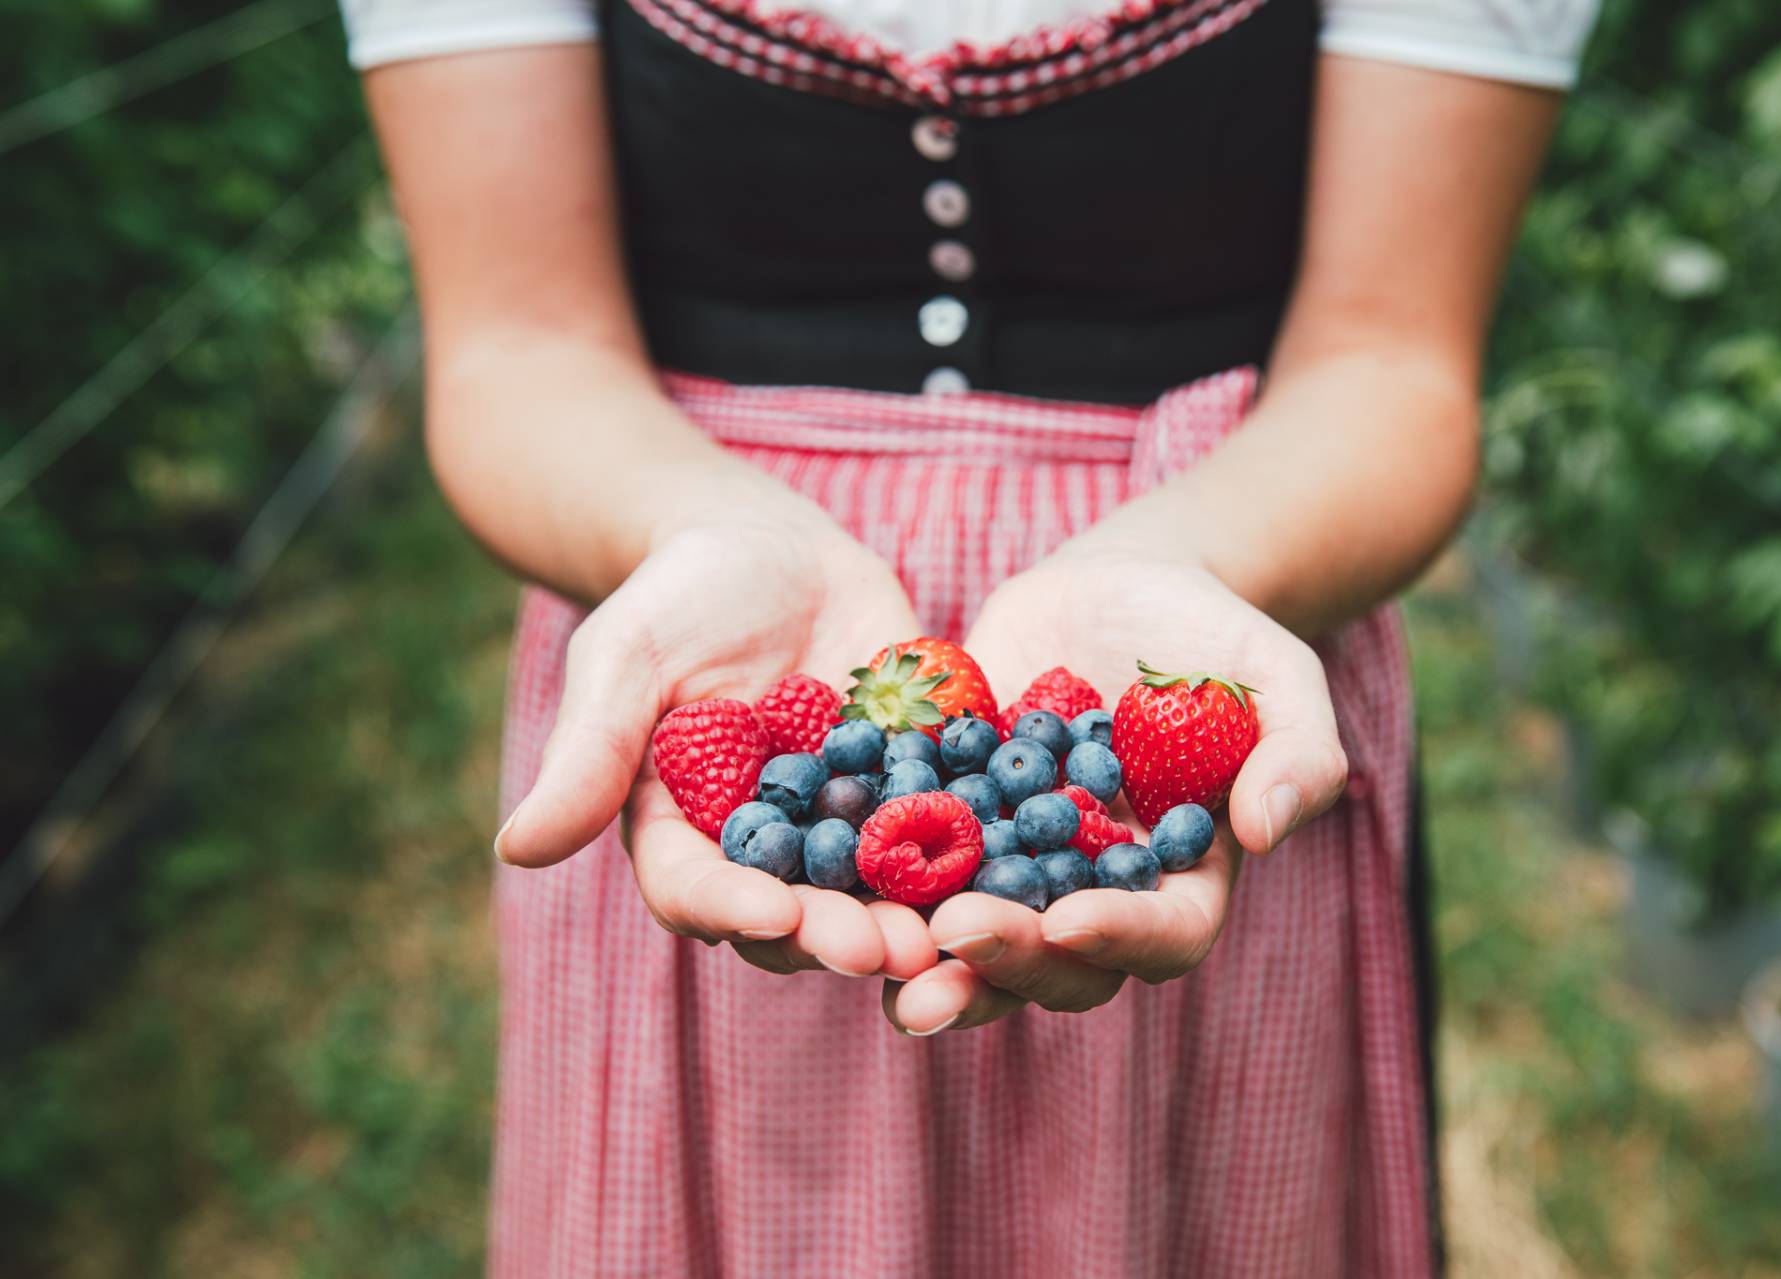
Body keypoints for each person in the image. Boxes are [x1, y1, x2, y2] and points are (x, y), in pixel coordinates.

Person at [343, 0, 1597, 1272]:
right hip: (709, 606)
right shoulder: (771, 724)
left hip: (1216, 583)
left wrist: (1195, 559)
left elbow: (1390, 365)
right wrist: (692, 531)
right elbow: (518, 350)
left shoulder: (1122, 729)